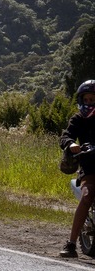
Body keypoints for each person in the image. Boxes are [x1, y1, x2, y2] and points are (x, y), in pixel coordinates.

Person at [58, 79, 95, 258]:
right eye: (86, 100)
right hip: (90, 168)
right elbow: (65, 136)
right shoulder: (78, 119)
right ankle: (71, 243)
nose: (89, 103)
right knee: (87, 196)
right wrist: (71, 144)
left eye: (92, 100)